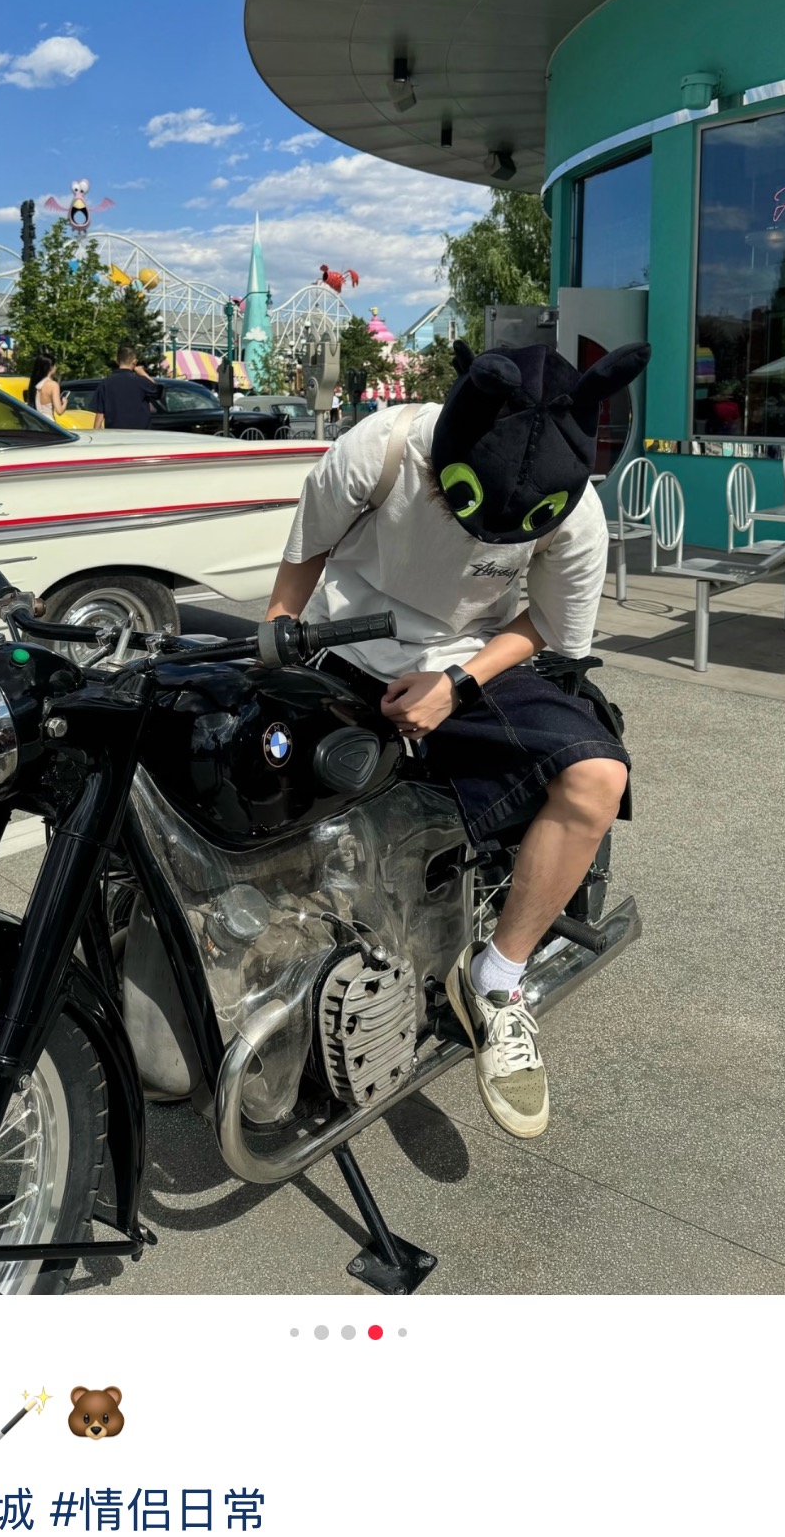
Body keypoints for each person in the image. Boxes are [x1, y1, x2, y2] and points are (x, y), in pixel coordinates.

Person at [265, 337, 648, 1141]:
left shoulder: (575, 510)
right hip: (340, 645)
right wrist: (277, 642)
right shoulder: (380, 447)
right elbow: (306, 554)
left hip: (470, 660)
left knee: (596, 776)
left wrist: (457, 685)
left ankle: (498, 981)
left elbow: (550, 625)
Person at [92, 342, 161, 430]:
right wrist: (143, 373)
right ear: (134, 362)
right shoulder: (141, 381)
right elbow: (158, 391)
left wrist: (96, 433)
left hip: (115, 432)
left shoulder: (106, 383)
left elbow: (100, 413)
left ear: (117, 361)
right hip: (140, 433)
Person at [26, 350, 67, 421]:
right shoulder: (53, 385)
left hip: (37, 421)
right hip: (49, 422)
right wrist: (65, 403)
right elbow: (59, 411)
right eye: (55, 365)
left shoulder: (35, 384)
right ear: (51, 367)